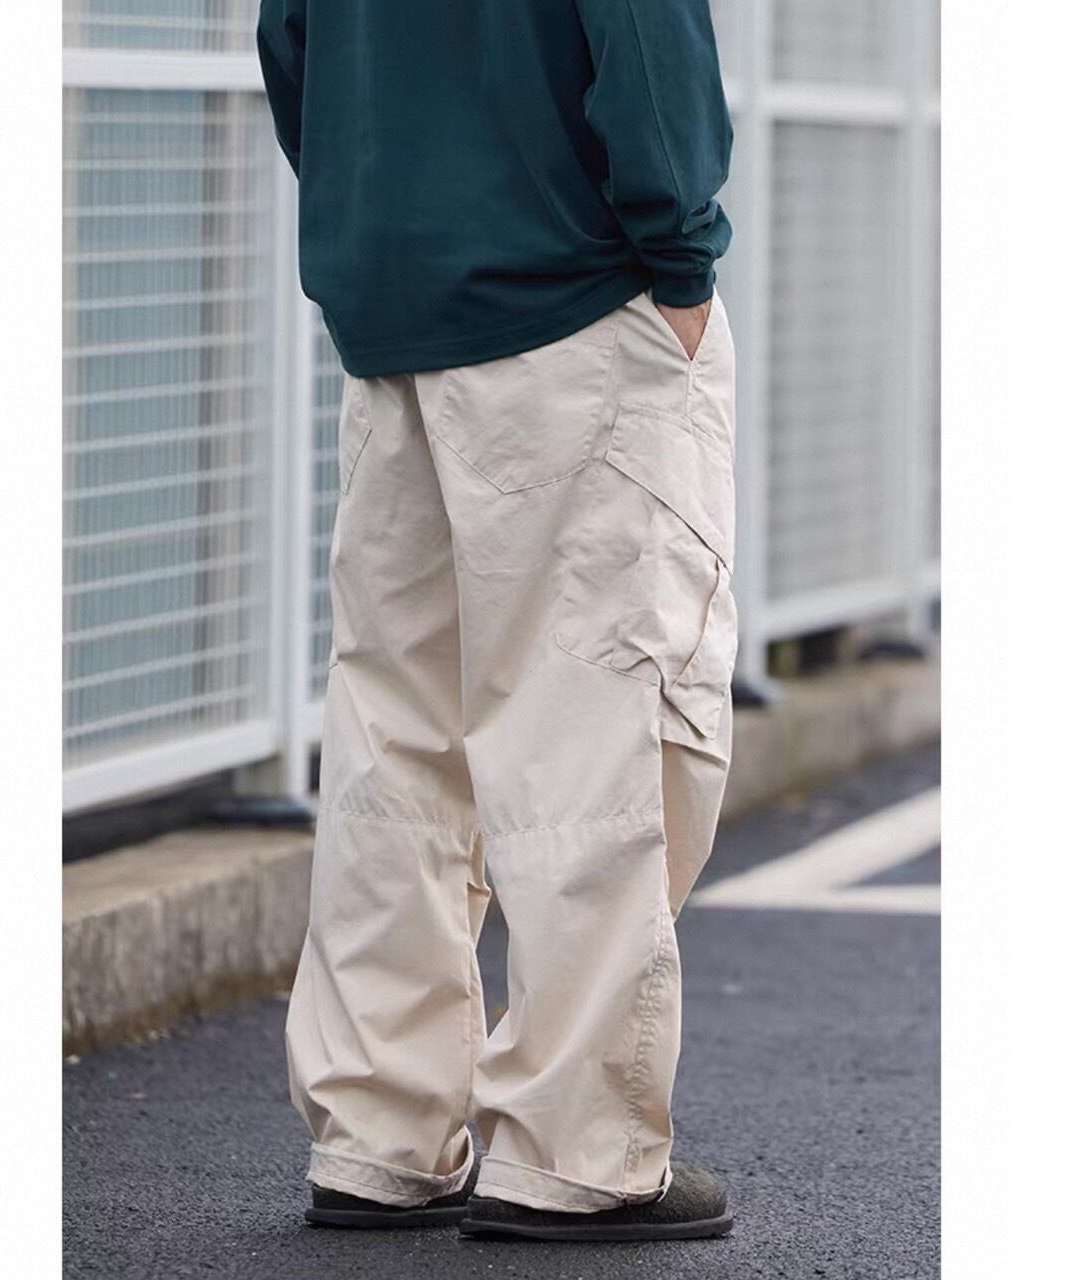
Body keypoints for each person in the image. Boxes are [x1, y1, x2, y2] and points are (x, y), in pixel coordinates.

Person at [257, 0, 738, 1242]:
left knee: (396, 735)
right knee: (597, 720)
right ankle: (575, 1150)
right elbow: (645, 42)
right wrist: (680, 260)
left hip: (395, 313)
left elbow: (291, 39)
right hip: (568, 300)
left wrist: (384, 224)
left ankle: (377, 1131)